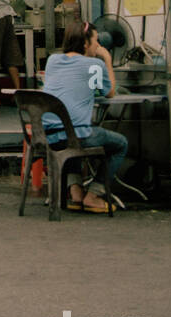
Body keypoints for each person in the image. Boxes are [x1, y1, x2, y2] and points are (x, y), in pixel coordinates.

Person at [42, 20, 126, 213]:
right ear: (86, 44)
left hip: (49, 136)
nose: (99, 45)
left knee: (71, 134)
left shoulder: (53, 60)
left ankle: (76, 191)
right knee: (120, 144)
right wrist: (108, 61)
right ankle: (94, 194)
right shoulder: (94, 65)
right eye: (96, 41)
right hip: (77, 136)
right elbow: (110, 92)